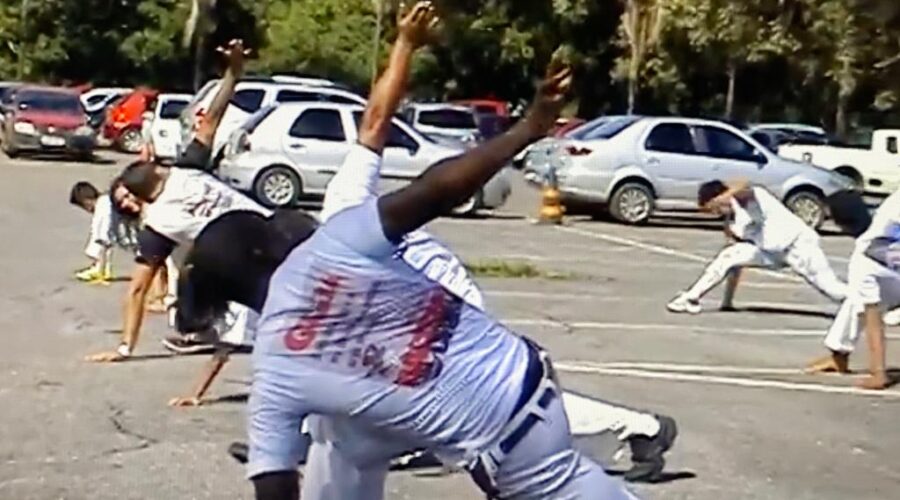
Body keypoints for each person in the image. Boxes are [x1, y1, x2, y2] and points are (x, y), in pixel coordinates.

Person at [168, 11, 678, 483]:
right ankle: (323, 445)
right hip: (403, 322)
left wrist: (405, 46)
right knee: (341, 422)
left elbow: (380, 124)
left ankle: (642, 427)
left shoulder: (344, 208)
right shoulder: (307, 267)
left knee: (484, 404)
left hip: (442, 301)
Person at [85, 39, 264, 363]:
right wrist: (233, 75)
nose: (127, 203)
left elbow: (211, 120)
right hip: (264, 241)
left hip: (262, 241)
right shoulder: (173, 194)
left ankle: (202, 330)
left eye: (126, 197)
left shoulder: (168, 205)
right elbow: (137, 290)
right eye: (123, 202)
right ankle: (205, 329)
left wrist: (233, 76)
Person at [668, 180, 847, 314]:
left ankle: (861, 301)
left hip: (798, 245)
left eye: (714, 208)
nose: (715, 213)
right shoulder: (734, 225)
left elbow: (744, 183)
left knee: (833, 290)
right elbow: (734, 266)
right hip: (771, 253)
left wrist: (725, 196)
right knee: (729, 256)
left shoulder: (747, 198)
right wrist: (727, 302)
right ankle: (691, 297)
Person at [807, 190, 897, 390]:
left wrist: (878, 374)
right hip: (889, 276)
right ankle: (839, 355)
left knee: (862, 303)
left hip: (884, 275)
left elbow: (873, 317)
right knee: (856, 302)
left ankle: (841, 356)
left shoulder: (863, 259)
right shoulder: (891, 207)